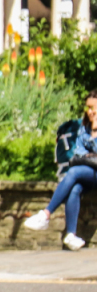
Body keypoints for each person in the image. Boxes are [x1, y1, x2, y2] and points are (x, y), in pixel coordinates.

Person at [25, 90, 97, 251]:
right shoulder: (84, 127)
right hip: (88, 172)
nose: (90, 112)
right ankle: (71, 235)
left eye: (93, 108)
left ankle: (46, 214)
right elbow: (78, 152)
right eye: (87, 108)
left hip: (91, 172)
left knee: (73, 173)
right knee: (75, 188)